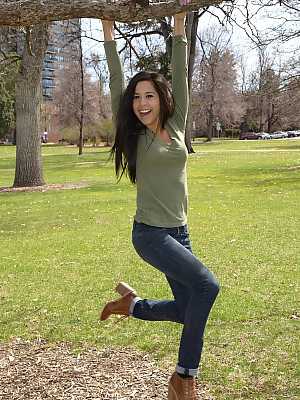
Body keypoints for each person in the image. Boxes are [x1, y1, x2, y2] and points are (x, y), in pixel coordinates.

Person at [100, 9, 220, 400]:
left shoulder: (179, 122)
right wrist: (108, 32)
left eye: (149, 95)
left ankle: (131, 306)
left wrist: (181, 23)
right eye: (137, 98)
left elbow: (180, 68)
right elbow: (117, 82)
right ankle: (184, 379)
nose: (141, 103)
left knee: (188, 310)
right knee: (207, 285)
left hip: (179, 232)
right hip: (150, 235)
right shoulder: (135, 136)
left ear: (163, 99)